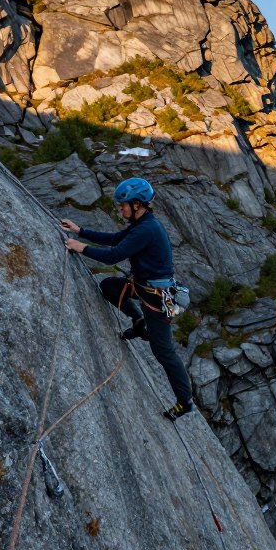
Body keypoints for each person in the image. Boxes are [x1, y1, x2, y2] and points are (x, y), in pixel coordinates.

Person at [60, 177, 194, 421]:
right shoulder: (141, 223)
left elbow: (114, 255)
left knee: (163, 352)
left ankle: (185, 402)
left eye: (123, 205)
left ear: (137, 204)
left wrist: (82, 247)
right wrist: (80, 231)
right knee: (109, 286)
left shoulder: (146, 229)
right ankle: (139, 321)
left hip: (156, 296)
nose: (120, 209)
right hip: (144, 288)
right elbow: (115, 239)